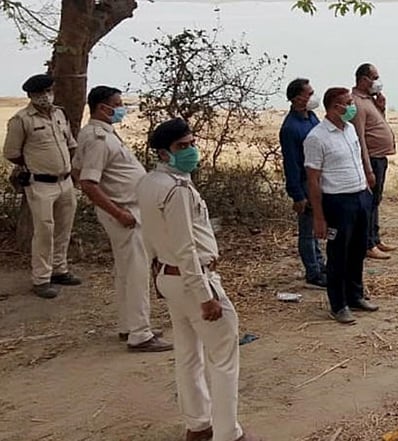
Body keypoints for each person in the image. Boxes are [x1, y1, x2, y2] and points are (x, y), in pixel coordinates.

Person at [136, 119, 260, 441]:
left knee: (188, 353)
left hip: (169, 276)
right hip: (193, 279)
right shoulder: (176, 190)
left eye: (191, 143)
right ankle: (227, 433)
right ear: (164, 153)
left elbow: (150, 234)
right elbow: (185, 247)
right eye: (182, 146)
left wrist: (158, 274)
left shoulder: (149, 183)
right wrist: (205, 294)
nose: (191, 150)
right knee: (223, 358)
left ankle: (198, 424)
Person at [73, 85, 172, 352]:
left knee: (128, 271)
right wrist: (118, 212)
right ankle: (140, 334)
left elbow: (78, 169)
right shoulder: (97, 139)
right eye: (117, 104)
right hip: (124, 211)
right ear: (103, 107)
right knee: (137, 272)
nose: (121, 108)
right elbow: (88, 182)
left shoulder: (101, 134)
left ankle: (129, 325)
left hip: (127, 208)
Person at [304, 87, 379, 324]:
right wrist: (318, 217)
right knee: (338, 255)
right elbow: (313, 180)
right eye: (348, 103)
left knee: (358, 250)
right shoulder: (317, 138)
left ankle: (355, 295)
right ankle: (338, 304)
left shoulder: (350, 130)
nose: (352, 106)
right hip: (337, 202)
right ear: (336, 107)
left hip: (359, 197)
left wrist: (366, 182)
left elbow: (357, 158)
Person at [2, 73, 81, 299]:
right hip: (41, 184)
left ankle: (60, 270)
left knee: (64, 228)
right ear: (30, 96)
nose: (45, 96)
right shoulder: (22, 120)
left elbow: (70, 144)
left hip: (65, 181)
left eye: (48, 91)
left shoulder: (59, 113)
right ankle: (41, 278)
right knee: (44, 231)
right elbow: (11, 153)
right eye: (40, 93)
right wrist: (34, 164)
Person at [279, 78, 326, 288]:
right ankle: (313, 272)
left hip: (320, 180)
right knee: (307, 230)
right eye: (309, 93)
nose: (313, 97)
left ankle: (320, 264)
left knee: (318, 227)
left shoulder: (312, 117)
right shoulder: (290, 128)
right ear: (298, 98)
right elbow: (291, 163)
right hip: (305, 184)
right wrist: (297, 195)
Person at [350, 63, 397, 260]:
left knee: (376, 200)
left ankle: (375, 238)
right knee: (368, 202)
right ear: (364, 79)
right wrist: (367, 167)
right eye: (374, 77)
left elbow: (378, 123)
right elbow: (360, 136)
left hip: (380, 157)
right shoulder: (357, 103)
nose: (377, 82)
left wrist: (382, 108)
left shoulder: (369, 100)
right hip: (371, 159)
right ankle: (367, 244)